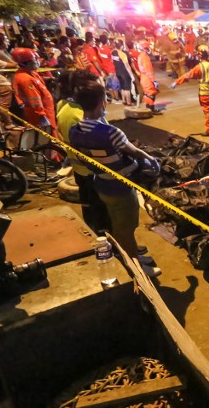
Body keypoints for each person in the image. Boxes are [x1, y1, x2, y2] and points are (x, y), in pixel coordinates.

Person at [68, 80, 161, 277]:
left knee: (118, 224)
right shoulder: (110, 132)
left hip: (100, 183)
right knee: (125, 228)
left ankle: (132, 254)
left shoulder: (75, 131)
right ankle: (135, 267)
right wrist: (149, 158)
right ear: (102, 102)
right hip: (120, 187)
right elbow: (133, 151)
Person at [56, 69, 111, 234]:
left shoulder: (64, 105)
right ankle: (111, 245)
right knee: (102, 212)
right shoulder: (80, 116)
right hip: (92, 172)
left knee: (90, 207)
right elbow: (98, 148)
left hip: (81, 169)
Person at [171, 45, 209, 137]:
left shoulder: (199, 67)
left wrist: (176, 82)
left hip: (204, 94)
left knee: (208, 112)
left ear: (199, 55)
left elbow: (188, 76)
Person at [11, 47, 57, 131]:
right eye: (34, 60)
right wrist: (42, 116)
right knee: (50, 135)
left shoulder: (30, 72)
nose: (37, 61)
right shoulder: (26, 79)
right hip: (41, 114)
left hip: (47, 110)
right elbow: (34, 100)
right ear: (26, 63)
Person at [136, 40, 159, 113]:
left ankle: (149, 109)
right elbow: (148, 70)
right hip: (147, 79)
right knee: (151, 94)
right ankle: (151, 110)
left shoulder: (140, 56)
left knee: (147, 94)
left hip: (143, 77)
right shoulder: (144, 57)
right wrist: (153, 80)